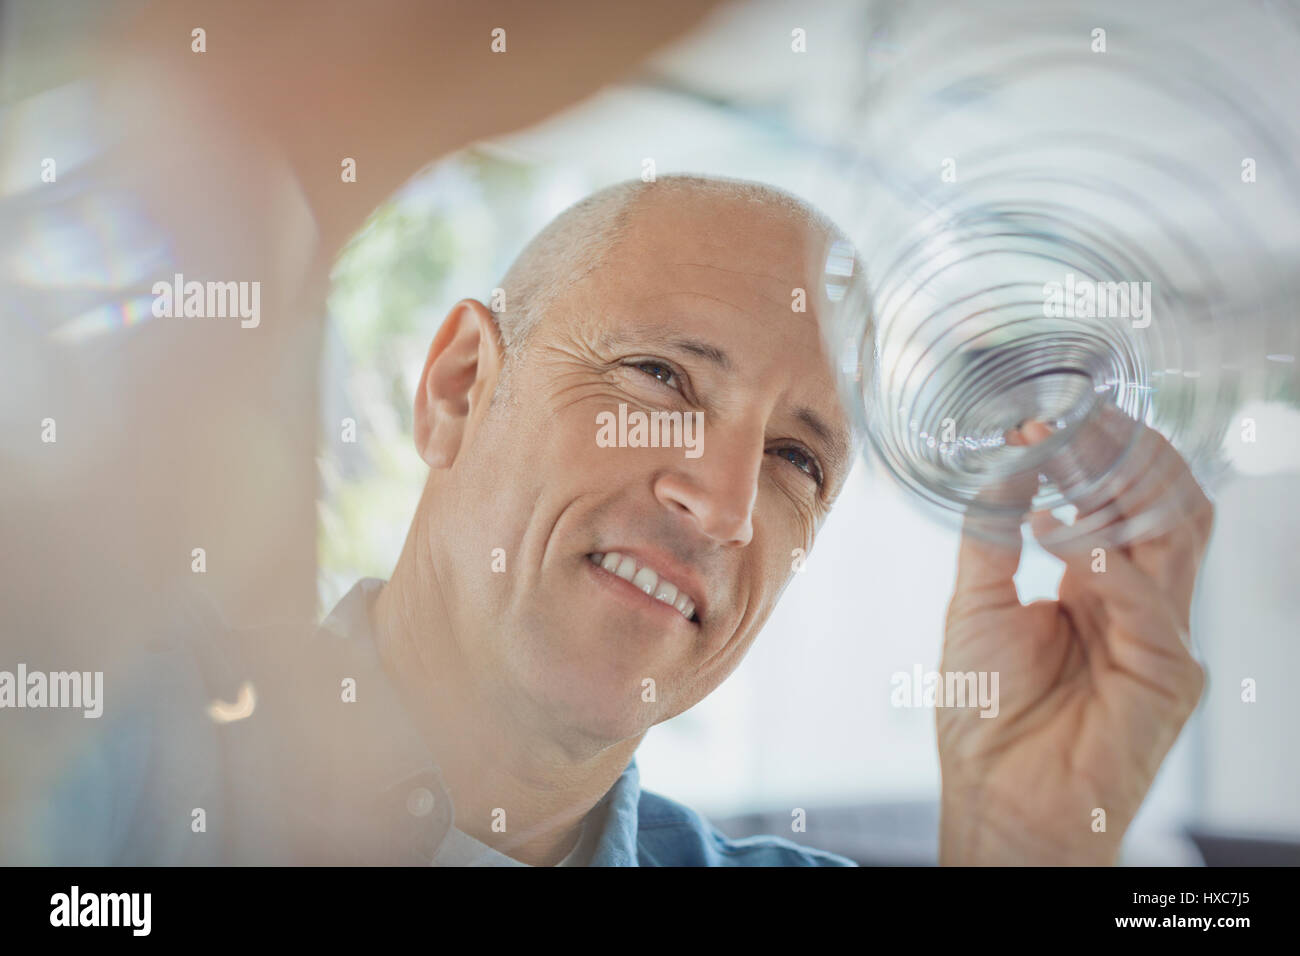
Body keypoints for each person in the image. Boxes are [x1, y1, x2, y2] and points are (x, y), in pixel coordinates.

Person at [35, 174, 1213, 866]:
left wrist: (1021, 847)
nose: (720, 499)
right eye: (658, 378)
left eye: (798, 456)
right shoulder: (103, 748)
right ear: (458, 387)